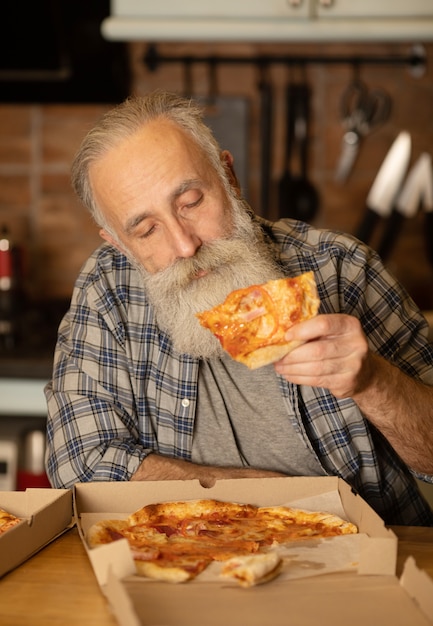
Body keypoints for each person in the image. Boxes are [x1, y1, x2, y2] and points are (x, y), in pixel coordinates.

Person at [45, 90, 433, 526]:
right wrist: (275, 506)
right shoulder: (108, 289)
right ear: (117, 243)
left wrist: (375, 382)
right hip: (193, 563)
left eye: (191, 203)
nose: (185, 245)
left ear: (228, 178)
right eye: (147, 229)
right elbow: (80, 460)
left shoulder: (342, 268)